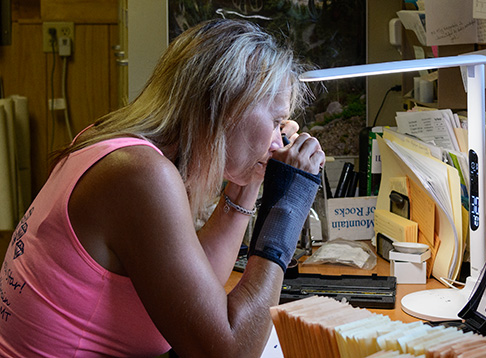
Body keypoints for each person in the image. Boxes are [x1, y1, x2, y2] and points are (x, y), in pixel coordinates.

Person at [0, 19, 325, 357]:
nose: (279, 139)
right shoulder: (139, 175)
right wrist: (287, 206)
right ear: (227, 105)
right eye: (276, 122)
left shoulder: (116, 145)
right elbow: (230, 350)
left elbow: (202, 295)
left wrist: (251, 178)